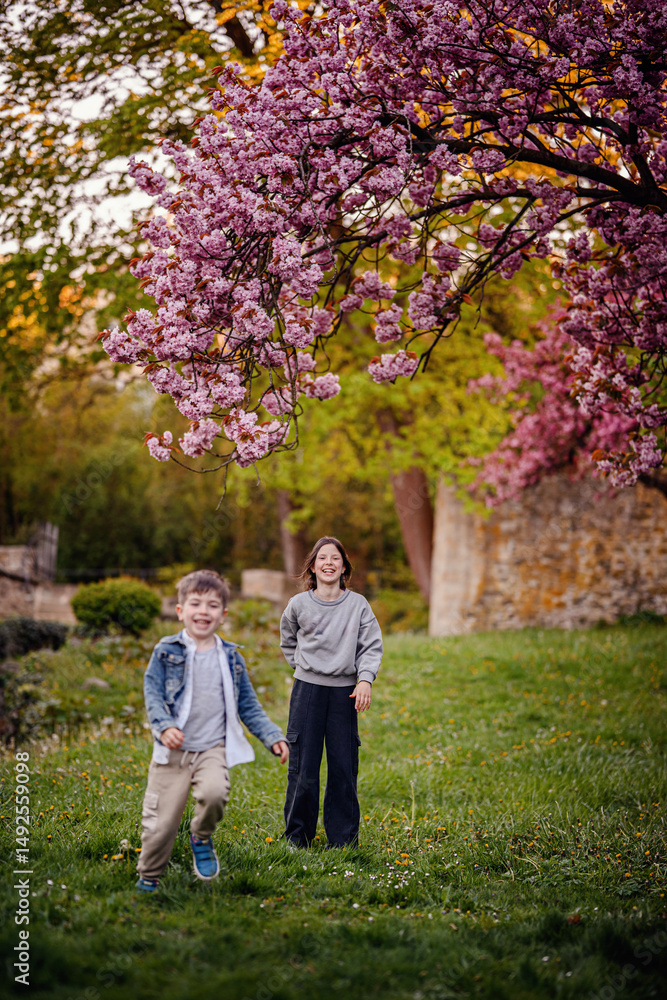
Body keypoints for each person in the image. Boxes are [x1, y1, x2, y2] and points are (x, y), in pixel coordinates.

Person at [136, 569, 288, 892]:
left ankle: (201, 836)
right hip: (172, 751)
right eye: (195, 604)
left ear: (223, 615)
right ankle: (149, 876)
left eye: (212, 605)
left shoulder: (231, 658)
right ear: (180, 611)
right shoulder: (166, 651)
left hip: (211, 749)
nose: (203, 611)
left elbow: (249, 705)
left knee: (214, 793)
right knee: (160, 824)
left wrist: (272, 735)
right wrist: (164, 727)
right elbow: (153, 694)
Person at [280, 537, 382, 848]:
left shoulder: (358, 605)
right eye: (322, 558)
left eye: (335, 558)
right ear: (312, 566)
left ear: (343, 567)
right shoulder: (298, 604)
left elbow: (371, 646)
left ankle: (343, 841)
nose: (328, 563)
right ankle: (297, 837)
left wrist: (364, 680)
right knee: (303, 766)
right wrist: (304, 667)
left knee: (343, 766)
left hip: (344, 694)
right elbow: (288, 639)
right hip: (307, 692)